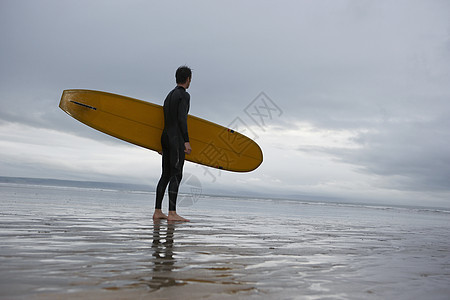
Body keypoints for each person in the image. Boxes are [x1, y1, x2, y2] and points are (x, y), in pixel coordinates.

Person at [153, 66, 192, 222]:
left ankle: (157, 211)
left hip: (166, 137)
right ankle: (172, 213)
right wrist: (187, 141)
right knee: (177, 174)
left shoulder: (169, 96)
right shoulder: (184, 96)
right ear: (188, 79)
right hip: (176, 139)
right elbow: (182, 119)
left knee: (165, 174)